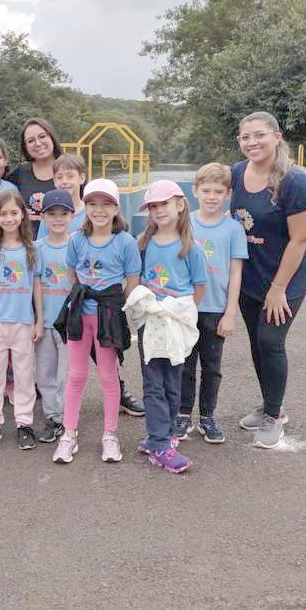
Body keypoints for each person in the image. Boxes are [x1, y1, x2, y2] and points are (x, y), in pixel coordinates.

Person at [231, 111, 306, 449]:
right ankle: (270, 404)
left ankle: (275, 416)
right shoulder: (237, 173)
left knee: (270, 341)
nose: (251, 142)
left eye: (259, 135)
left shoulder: (293, 181)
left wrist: (278, 289)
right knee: (256, 343)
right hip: (251, 277)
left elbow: (300, 240)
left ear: (277, 136)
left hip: (286, 280)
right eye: (245, 137)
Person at [52, 179, 140, 465]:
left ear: (116, 208)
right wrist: (83, 296)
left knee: (108, 375)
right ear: (85, 207)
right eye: (92, 204)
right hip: (81, 313)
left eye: (105, 204)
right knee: (76, 375)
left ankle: (110, 434)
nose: (98, 210)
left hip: (108, 314)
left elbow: (132, 282)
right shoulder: (77, 239)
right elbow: (71, 273)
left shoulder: (125, 241)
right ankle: (69, 433)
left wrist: (112, 303)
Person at [128, 180, 207, 475]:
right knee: (153, 382)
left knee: (173, 381)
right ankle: (159, 443)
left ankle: (163, 432)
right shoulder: (142, 243)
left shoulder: (190, 248)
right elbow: (133, 282)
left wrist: (183, 307)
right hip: (151, 324)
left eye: (164, 204)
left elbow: (199, 287)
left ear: (180, 204)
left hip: (176, 325)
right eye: (153, 206)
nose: (159, 210)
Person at [175, 163, 248, 444]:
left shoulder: (233, 230)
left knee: (212, 366)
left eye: (219, 191)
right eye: (206, 190)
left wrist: (230, 312)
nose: (212, 196)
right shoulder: (185, 222)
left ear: (228, 194)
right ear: (194, 191)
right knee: (184, 364)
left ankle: (208, 417)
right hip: (186, 307)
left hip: (216, 309)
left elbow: (236, 272)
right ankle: (183, 415)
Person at [0, 191, 43, 451]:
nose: (9, 218)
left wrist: (39, 320)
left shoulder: (32, 249)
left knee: (25, 376)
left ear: (23, 215)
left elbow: (36, 285)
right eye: (3, 213)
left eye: (14, 212)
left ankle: (24, 423)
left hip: (23, 321)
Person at [35, 189, 75, 443]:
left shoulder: (78, 244)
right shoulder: (37, 247)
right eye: (52, 214)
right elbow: (35, 286)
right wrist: (38, 319)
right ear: (43, 217)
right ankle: (53, 416)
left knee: (67, 374)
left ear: (72, 216)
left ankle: (67, 416)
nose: (58, 219)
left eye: (64, 213)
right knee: (44, 374)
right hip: (46, 320)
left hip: (71, 323)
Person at [7, 118, 63, 237]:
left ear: (51, 137)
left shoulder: (69, 170)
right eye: (31, 141)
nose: (38, 143)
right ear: (25, 147)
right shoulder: (19, 173)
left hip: (61, 248)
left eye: (42, 136)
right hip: (26, 247)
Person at [36, 153, 87, 240]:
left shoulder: (89, 213)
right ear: (54, 181)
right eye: (59, 177)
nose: (64, 181)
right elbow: (41, 246)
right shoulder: (48, 213)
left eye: (70, 176)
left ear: (82, 178)